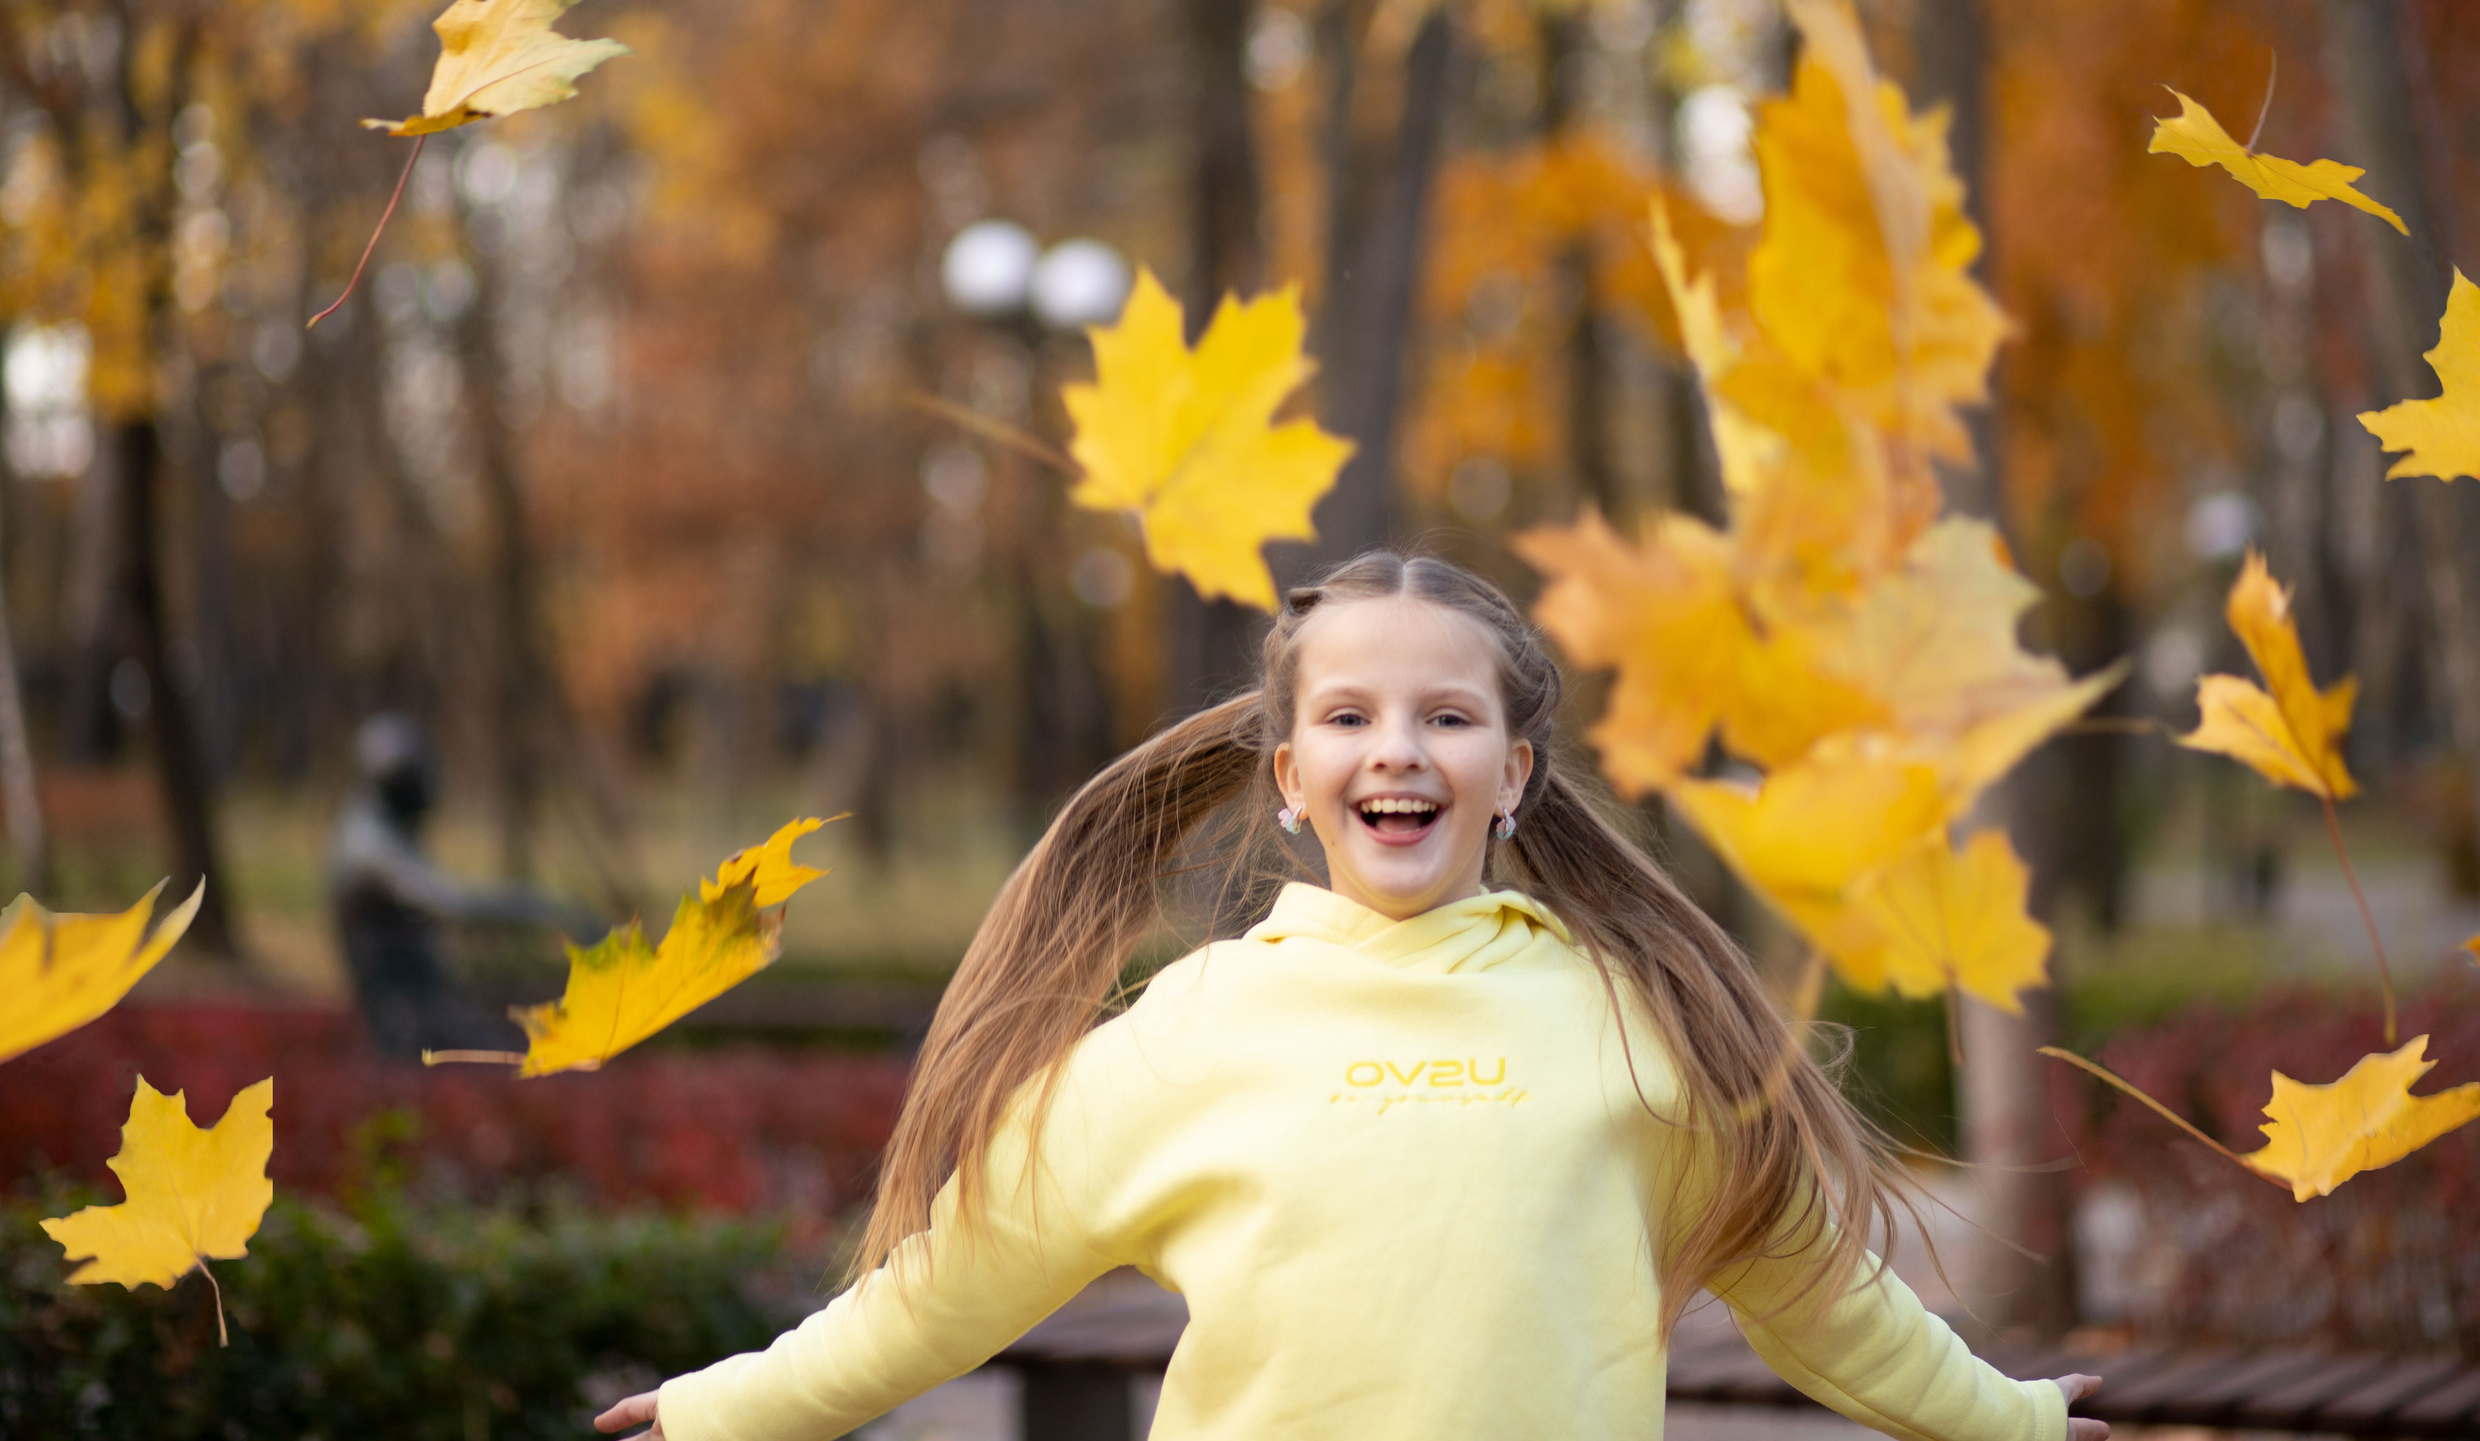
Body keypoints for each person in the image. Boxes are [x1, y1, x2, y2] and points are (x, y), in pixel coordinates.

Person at [597, 554, 2108, 1441]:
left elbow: (1817, 1295)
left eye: (1447, 715)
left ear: (1512, 775)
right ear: (1291, 775)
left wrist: (2012, 1417)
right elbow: (948, 1286)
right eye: (1349, 715)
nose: (1398, 747)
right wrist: (732, 1407)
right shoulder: (1183, 1035)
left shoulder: (1638, 1025)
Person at [328, 712, 596, 1058]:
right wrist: (546, 910)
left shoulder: (384, 835)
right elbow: (450, 903)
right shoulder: (368, 845)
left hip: (428, 1009)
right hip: (411, 1026)